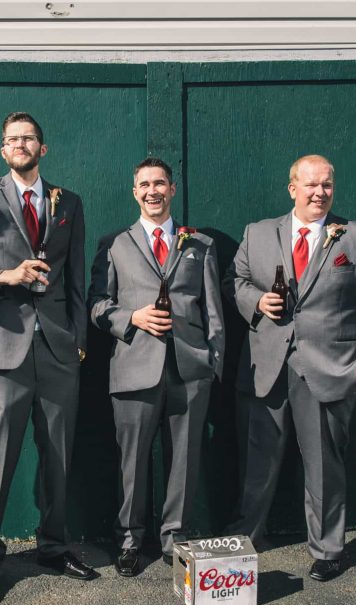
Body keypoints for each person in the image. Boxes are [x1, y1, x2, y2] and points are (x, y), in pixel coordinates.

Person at [225, 154, 356, 582]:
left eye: (327, 185)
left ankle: (328, 548)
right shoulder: (258, 233)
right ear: (292, 189)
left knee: (324, 465)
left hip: (329, 369)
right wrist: (256, 303)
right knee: (258, 461)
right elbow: (236, 282)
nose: (320, 193)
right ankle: (247, 537)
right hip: (267, 365)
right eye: (311, 185)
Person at [0, 112, 97, 604]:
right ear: (3, 149)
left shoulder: (69, 202)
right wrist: (3, 277)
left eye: (28, 137)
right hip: (4, 346)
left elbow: (77, 277)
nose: (20, 144)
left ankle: (53, 548)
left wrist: (78, 339)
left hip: (58, 348)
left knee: (57, 458)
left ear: (43, 148)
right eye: (12, 138)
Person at [89, 157, 225, 576]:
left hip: (189, 368)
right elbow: (96, 305)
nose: (153, 191)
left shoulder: (199, 244)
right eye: (145, 184)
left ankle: (175, 538)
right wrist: (132, 318)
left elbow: (214, 312)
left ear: (172, 189)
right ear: (135, 192)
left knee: (184, 459)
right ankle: (130, 539)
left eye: (160, 183)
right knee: (132, 461)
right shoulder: (115, 243)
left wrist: (212, 363)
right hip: (134, 367)